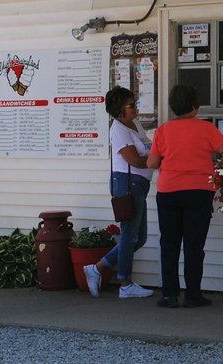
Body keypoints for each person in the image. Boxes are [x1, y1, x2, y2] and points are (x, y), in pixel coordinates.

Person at [146, 84, 223, 308]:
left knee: (169, 243)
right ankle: (192, 295)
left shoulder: (163, 130)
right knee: (194, 245)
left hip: (168, 191)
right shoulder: (207, 129)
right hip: (199, 191)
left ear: (173, 107)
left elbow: (152, 163)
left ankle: (169, 294)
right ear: (195, 107)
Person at [84, 86, 154, 299]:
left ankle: (97, 268)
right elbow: (133, 159)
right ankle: (125, 283)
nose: (135, 108)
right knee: (130, 236)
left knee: (138, 238)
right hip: (127, 184)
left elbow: (147, 148)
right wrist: (156, 161)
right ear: (119, 109)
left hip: (139, 185)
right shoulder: (118, 129)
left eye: (135, 104)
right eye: (131, 106)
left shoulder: (135, 125)